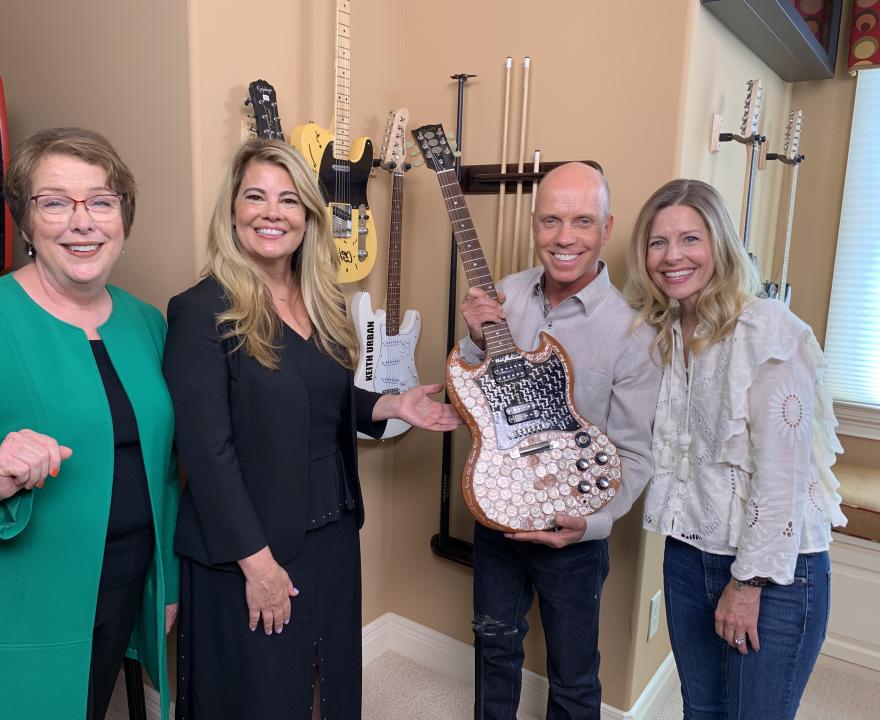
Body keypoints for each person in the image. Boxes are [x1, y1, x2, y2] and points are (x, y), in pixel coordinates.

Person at [163, 138, 459, 720]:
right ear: (232, 211)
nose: (273, 212)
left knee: (330, 679)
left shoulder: (318, 299)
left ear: (309, 217)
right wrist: (258, 563)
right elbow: (206, 451)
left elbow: (313, 398)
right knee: (262, 693)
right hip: (253, 537)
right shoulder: (201, 310)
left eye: (289, 200)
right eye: (256, 197)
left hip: (330, 524)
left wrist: (393, 404)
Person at [0, 127, 180, 720]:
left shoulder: (147, 324)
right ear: (24, 220)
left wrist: (163, 586)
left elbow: (162, 470)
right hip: (14, 601)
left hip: (119, 583)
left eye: (102, 201)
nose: (82, 222)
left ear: (123, 218)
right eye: (56, 202)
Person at [626, 179, 846, 719]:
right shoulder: (667, 331)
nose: (672, 256)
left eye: (689, 239)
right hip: (687, 554)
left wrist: (747, 584)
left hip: (775, 573)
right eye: (658, 242)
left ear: (720, 244)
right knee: (701, 709)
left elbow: (782, 480)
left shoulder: (767, 331)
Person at [459, 162, 661, 719]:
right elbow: (470, 392)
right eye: (551, 220)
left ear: (607, 227)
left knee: (573, 676)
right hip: (497, 512)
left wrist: (589, 526)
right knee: (493, 648)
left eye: (581, 221)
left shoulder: (633, 335)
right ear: (533, 224)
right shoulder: (503, 297)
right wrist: (475, 341)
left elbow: (636, 454)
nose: (565, 237)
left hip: (573, 533)